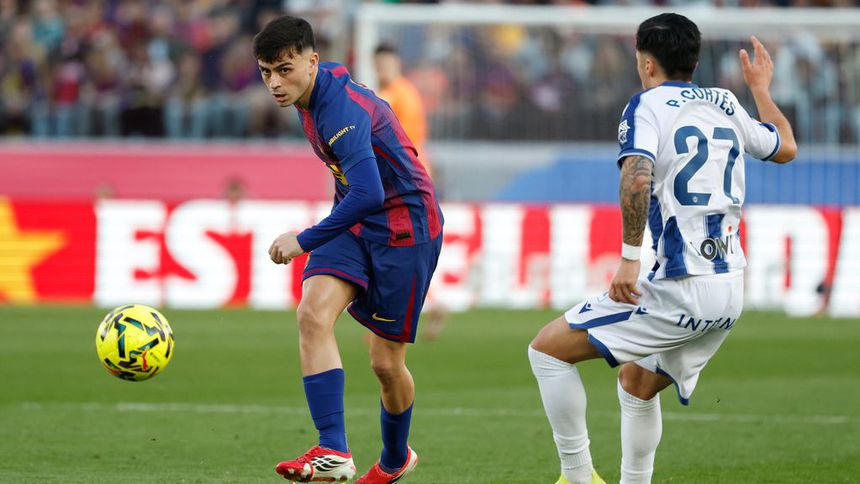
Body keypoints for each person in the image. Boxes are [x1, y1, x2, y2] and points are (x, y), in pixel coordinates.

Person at [528, 13, 796, 484]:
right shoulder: (725, 102)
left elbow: (636, 176)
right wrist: (760, 89)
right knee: (637, 381)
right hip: (729, 289)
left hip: (681, 286)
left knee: (547, 352)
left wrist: (629, 259)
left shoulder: (647, 105)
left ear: (647, 63)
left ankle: (577, 476)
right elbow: (786, 146)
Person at [254, 16, 443, 483]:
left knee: (385, 363)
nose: (275, 83)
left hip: (405, 230)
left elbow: (370, 193)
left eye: (284, 70)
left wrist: (304, 239)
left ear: (311, 61)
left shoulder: (339, 111)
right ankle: (333, 449)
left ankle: (396, 459)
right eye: (266, 72)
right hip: (356, 224)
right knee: (311, 314)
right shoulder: (309, 92)